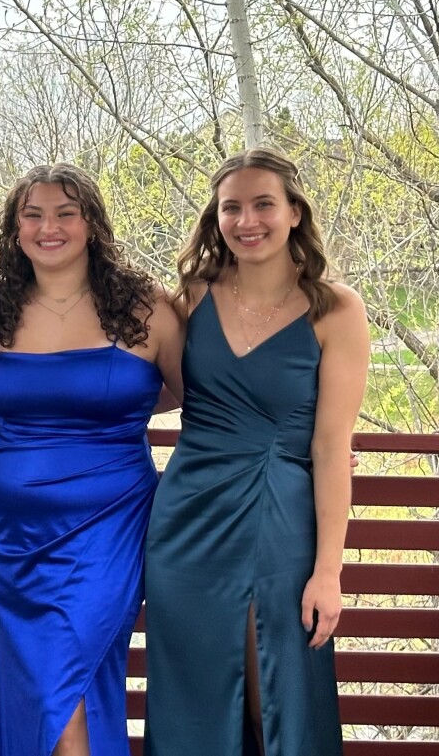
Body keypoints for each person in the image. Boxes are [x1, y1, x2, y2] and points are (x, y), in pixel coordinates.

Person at [146, 148, 368, 755]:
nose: (247, 221)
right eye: (231, 208)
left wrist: (328, 572)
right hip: (187, 522)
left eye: (263, 204)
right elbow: (151, 388)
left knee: (275, 696)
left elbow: (331, 447)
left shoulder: (336, 310)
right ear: (215, 217)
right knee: (194, 700)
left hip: (280, 520)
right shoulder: (192, 297)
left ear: (295, 212)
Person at [0, 164, 183, 756]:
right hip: (14, 538)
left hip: (108, 527)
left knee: (67, 687)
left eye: (66, 213)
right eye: (33, 215)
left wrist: (303, 439)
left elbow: (207, 402)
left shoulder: (146, 308)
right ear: (15, 228)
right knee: (46, 687)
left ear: (92, 224)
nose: (49, 227)